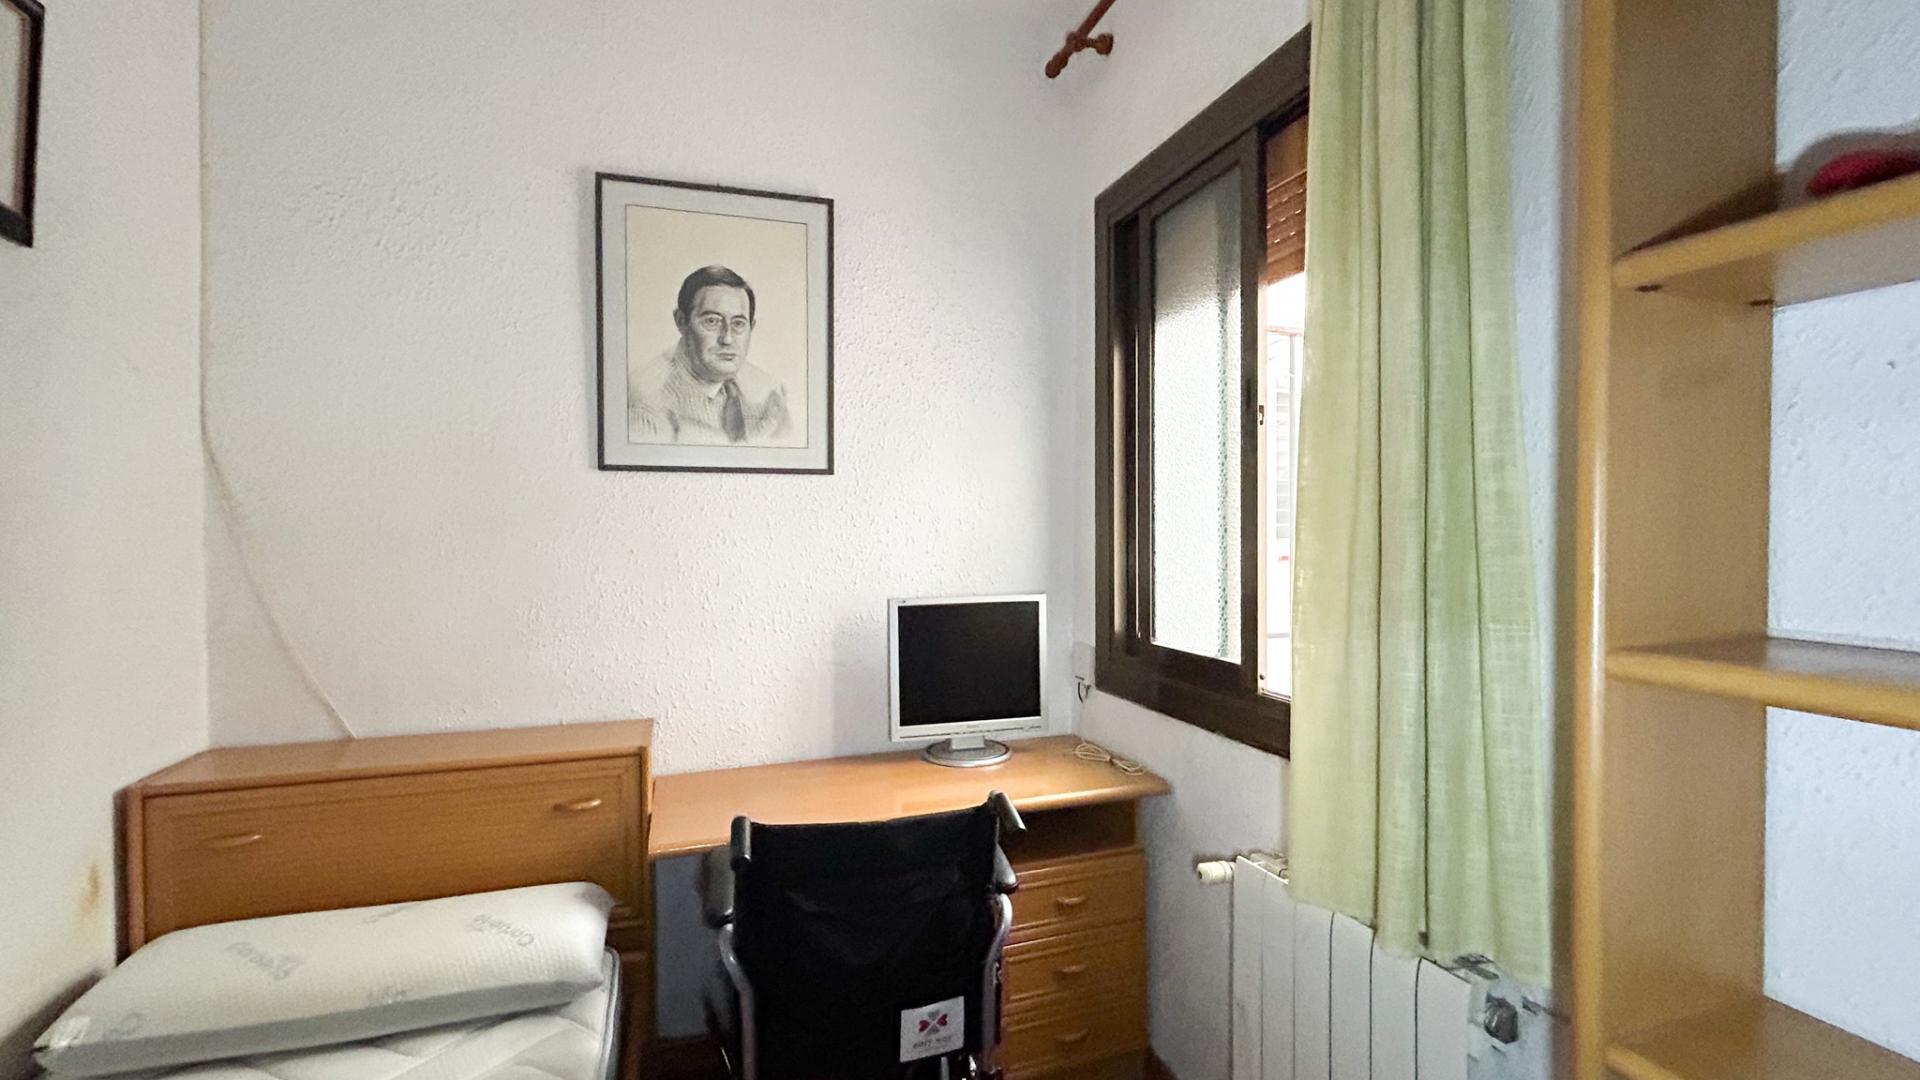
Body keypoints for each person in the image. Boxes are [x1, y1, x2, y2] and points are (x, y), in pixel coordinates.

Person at [629, 265, 793, 445]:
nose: (727, 338)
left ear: (751, 327)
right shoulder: (646, 402)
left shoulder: (770, 392)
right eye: (712, 321)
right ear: (682, 322)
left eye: (738, 323)